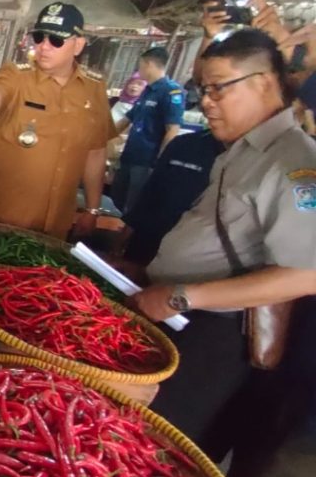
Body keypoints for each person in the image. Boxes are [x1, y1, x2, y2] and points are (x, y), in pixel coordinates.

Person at [129, 29, 316, 449]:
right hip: (183, 317)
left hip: (215, 335)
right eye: (202, 89)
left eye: (218, 88)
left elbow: (307, 274)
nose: (206, 101)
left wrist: (181, 295)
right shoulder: (242, 150)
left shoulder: (293, 161)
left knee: (154, 447)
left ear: (265, 82)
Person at [0, 2, 116, 237]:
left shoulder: (94, 88)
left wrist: (92, 209)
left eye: (56, 40)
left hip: (56, 225)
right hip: (1, 218)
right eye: (40, 37)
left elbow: (95, 151)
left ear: (78, 45)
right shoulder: (16, 76)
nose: (44, 46)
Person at [113, 129, 224, 268]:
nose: (208, 105)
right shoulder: (184, 144)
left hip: (195, 264)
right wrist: (126, 233)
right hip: (146, 246)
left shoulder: (253, 164)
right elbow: (150, 192)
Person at [110, 47, 185, 213]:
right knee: (116, 200)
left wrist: (160, 161)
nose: (139, 69)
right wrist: (102, 137)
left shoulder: (171, 91)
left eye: (140, 65)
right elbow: (126, 120)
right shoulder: (148, 91)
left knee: (133, 206)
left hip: (146, 161)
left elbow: (172, 129)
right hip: (130, 156)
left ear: (148, 64)